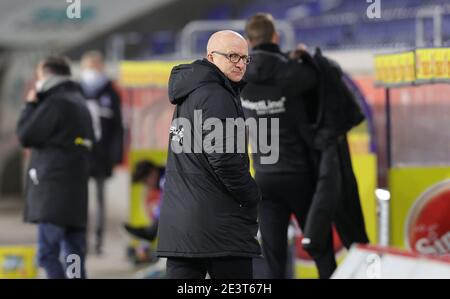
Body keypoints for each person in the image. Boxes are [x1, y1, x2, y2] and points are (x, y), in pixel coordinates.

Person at [156, 30, 261, 279]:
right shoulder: (217, 95)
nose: (239, 64)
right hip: (219, 229)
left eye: (245, 58)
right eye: (232, 56)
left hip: (183, 226)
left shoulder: (191, 92)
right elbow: (225, 160)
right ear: (211, 57)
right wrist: (251, 194)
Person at [241, 13, 337, 279]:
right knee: (320, 247)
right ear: (276, 37)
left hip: (264, 177)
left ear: (249, 41)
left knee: (273, 258)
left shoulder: (241, 78)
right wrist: (304, 56)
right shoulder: (293, 71)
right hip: (300, 176)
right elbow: (318, 79)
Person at [16, 56, 94, 279]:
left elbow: (25, 134)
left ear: (47, 76)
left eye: (38, 76)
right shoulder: (80, 101)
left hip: (53, 191)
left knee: (47, 254)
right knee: (74, 257)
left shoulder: (54, 103)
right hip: (76, 191)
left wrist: (30, 104)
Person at [79, 50, 124, 255]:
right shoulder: (77, 90)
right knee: (80, 199)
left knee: (99, 199)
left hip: (102, 154)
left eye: (96, 66)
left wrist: (116, 154)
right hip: (80, 154)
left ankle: (98, 239)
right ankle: (81, 238)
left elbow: (117, 126)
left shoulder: (110, 91)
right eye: (89, 66)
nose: (93, 71)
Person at [123, 160, 164, 242]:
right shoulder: (163, 177)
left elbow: (165, 207)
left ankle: (150, 231)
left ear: (153, 172)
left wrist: (151, 230)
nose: (146, 185)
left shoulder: (165, 179)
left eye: (145, 181)